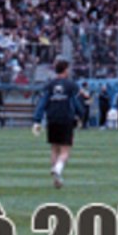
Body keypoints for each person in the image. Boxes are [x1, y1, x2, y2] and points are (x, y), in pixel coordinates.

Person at [32, 58, 83, 189]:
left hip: (52, 118)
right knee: (65, 150)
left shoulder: (49, 85)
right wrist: (81, 115)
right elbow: (75, 102)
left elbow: (42, 102)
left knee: (54, 148)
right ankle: (58, 169)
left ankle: (56, 178)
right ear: (65, 69)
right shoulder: (71, 85)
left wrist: (37, 120)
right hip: (66, 118)